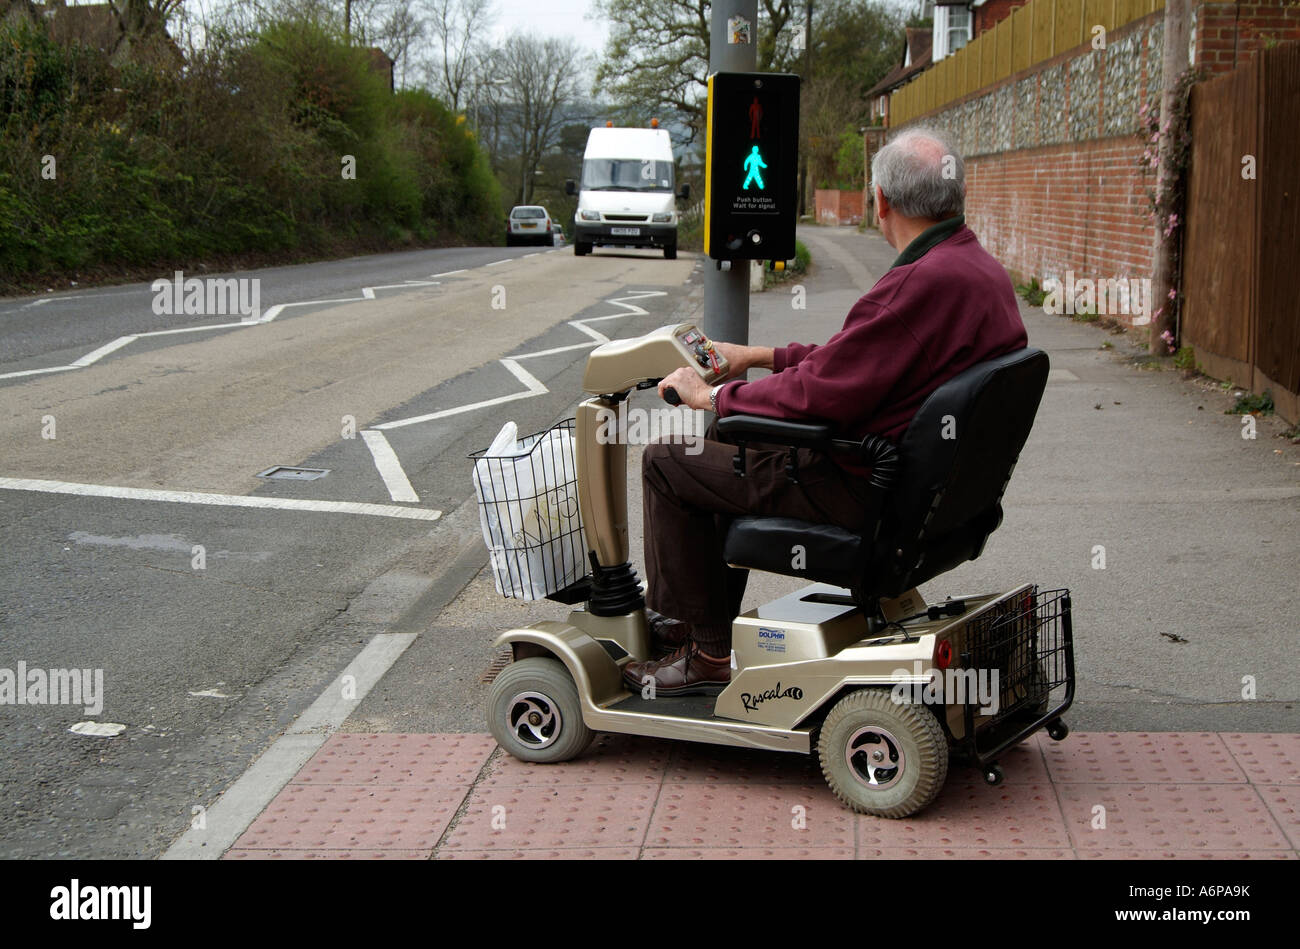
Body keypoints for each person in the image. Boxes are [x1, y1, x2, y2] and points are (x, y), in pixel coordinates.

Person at [622, 126, 1029, 697]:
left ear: (880, 201)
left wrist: (708, 393)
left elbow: (820, 395)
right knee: (725, 437)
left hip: (858, 484)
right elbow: (860, 363)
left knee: (671, 458)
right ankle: (695, 618)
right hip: (928, 491)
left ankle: (708, 653)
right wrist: (760, 357)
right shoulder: (976, 271)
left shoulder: (916, 285)